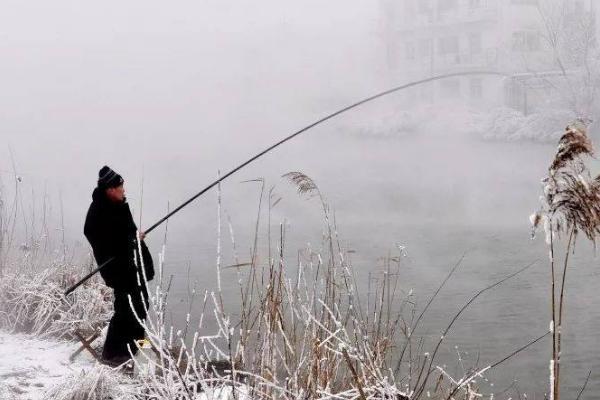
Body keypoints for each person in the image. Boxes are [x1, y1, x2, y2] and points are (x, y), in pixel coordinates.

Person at [84, 165, 154, 365]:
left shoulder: (121, 205)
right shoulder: (98, 209)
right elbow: (94, 234)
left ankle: (135, 349)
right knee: (125, 308)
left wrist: (135, 238)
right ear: (110, 189)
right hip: (116, 268)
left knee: (142, 303)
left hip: (132, 263)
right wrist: (127, 241)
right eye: (120, 187)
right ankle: (112, 356)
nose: (123, 190)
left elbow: (128, 231)